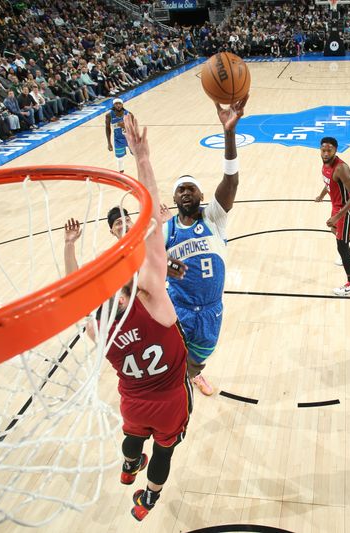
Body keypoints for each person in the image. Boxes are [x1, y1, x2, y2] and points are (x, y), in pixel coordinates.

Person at [63, 114, 191, 523]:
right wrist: (144, 158)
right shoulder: (152, 299)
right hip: (169, 398)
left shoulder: (97, 327)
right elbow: (154, 231)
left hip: (133, 401)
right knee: (166, 449)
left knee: (133, 435)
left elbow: (74, 294)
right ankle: (147, 501)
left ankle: (127, 465)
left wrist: (70, 249)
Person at [161, 95, 248, 396]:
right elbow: (148, 263)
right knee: (173, 372)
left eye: (191, 188)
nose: (186, 192)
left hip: (211, 311)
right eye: (180, 190)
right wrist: (166, 265)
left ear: (200, 194)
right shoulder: (166, 230)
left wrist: (229, 133)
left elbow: (231, 181)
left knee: (198, 361)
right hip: (178, 311)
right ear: (174, 199)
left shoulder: (214, 217)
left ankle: (195, 374)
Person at [314, 137, 350, 296]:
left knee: (341, 245)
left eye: (329, 150)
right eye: (323, 150)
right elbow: (329, 182)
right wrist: (321, 195)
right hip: (337, 206)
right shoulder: (325, 163)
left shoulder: (341, 168)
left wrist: (337, 216)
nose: (326, 153)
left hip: (347, 208)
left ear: (336, 150)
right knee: (334, 231)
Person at [105, 98, 134, 173]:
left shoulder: (129, 114)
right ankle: (121, 175)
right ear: (113, 105)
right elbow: (108, 129)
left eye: (119, 103)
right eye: (116, 104)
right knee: (119, 158)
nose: (118, 105)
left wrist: (125, 126)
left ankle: (142, 172)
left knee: (137, 155)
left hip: (129, 138)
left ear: (122, 104)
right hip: (118, 139)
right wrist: (109, 143)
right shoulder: (109, 115)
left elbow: (133, 128)